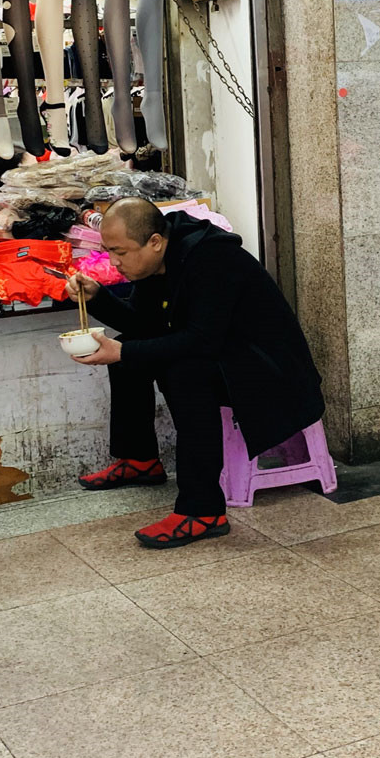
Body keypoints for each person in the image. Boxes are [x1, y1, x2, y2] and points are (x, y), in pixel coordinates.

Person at [67, 198, 326, 548]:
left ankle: (202, 511)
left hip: (269, 371)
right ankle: (140, 460)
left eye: (120, 252)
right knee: (128, 350)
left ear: (154, 242)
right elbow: (144, 324)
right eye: (109, 251)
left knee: (184, 373)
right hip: (223, 354)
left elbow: (201, 341)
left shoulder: (212, 259)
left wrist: (124, 351)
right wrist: (97, 297)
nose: (114, 262)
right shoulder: (156, 262)